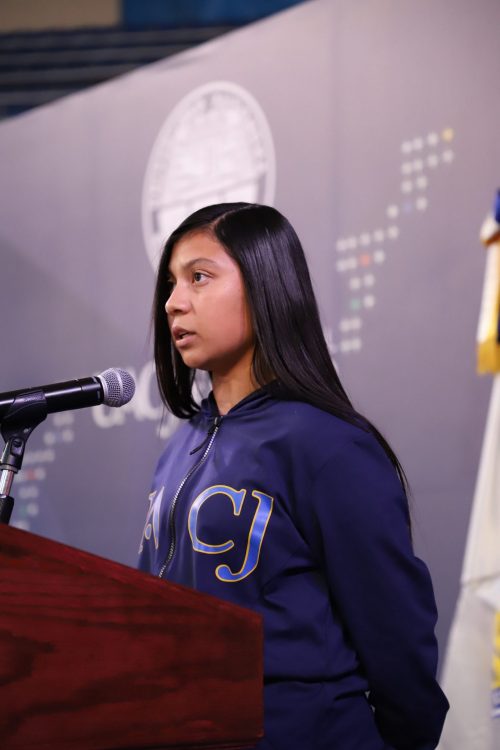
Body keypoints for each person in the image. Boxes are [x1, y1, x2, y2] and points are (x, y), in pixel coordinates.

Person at [138, 202, 449, 750]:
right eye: (171, 283)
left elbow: (396, 637)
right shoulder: (178, 449)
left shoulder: (329, 445)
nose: (173, 302)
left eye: (199, 277)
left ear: (264, 286)